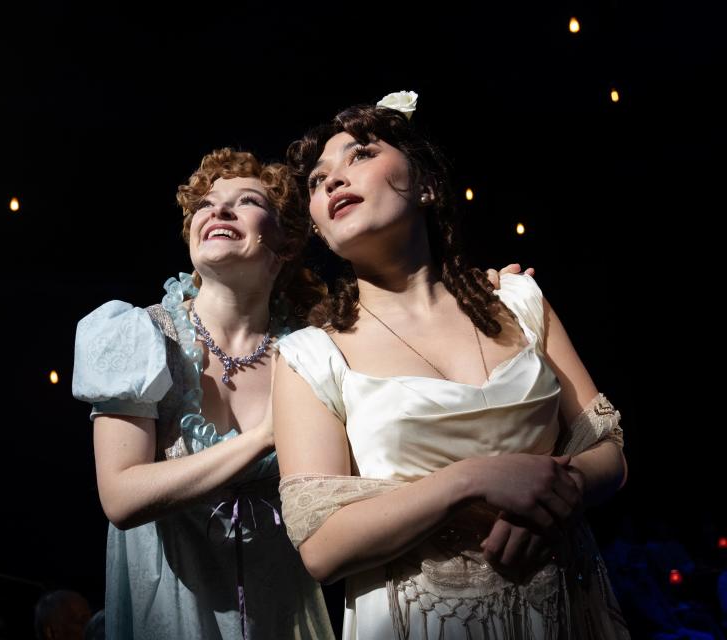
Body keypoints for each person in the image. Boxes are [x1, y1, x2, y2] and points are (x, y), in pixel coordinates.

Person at [71, 146, 527, 639]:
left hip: (281, 614)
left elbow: (410, 391)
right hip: (170, 613)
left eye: (246, 201)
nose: (218, 209)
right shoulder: (139, 334)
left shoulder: (316, 350)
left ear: (285, 243)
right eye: (205, 204)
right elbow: (120, 496)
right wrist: (269, 435)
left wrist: (478, 302)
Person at [273, 91, 629, 639]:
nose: (334, 181)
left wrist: (559, 493)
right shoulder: (311, 356)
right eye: (318, 181)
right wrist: (472, 480)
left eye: (360, 155)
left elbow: (607, 449)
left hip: (560, 608)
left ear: (426, 184)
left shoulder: (519, 301)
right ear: (319, 228)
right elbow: (322, 544)